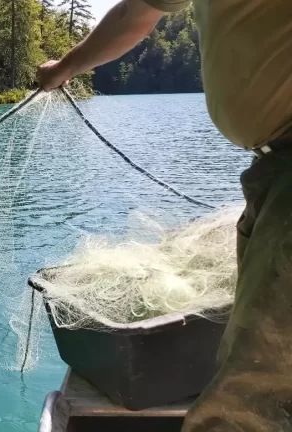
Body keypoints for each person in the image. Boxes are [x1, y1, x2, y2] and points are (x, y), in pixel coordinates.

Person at [36, 0, 292, 430]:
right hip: (273, 170)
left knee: (248, 402)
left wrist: (62, 68)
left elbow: (137, 12)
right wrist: (64, 69)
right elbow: (141, 10)